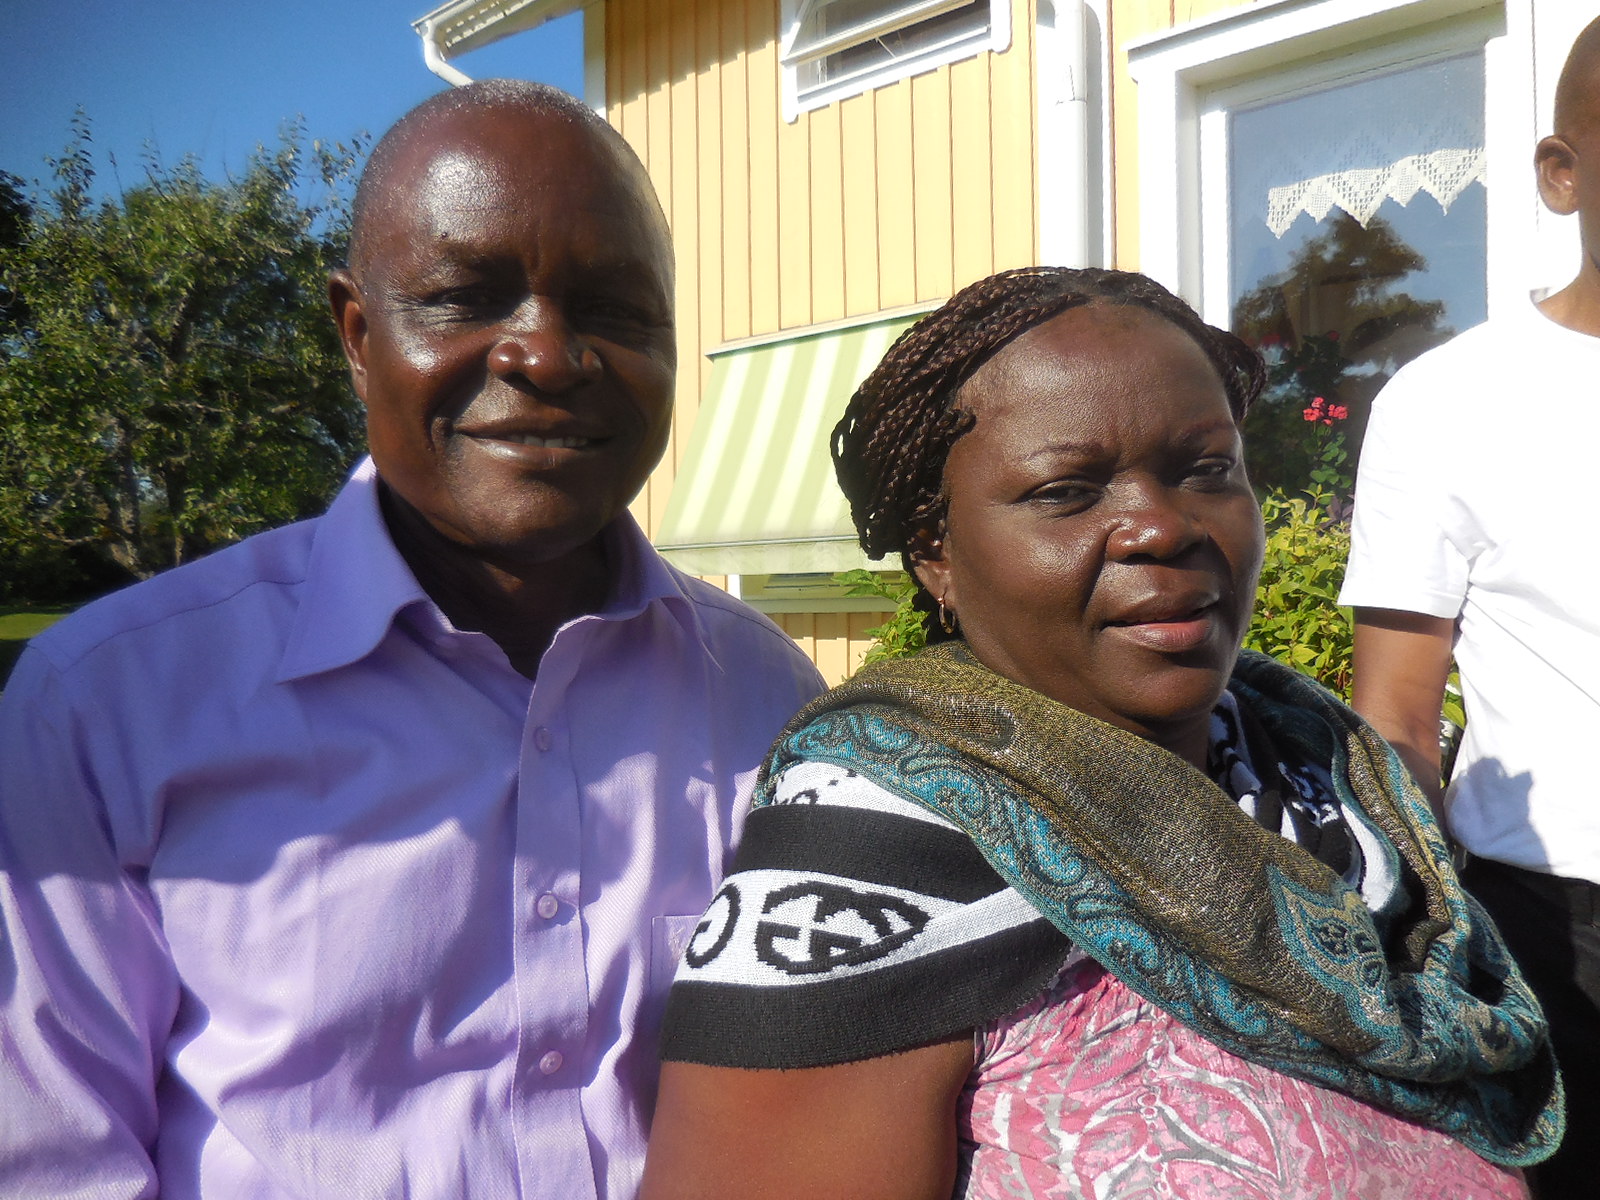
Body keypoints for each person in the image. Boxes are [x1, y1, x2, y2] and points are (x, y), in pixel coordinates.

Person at [0, 81, 823, 1199]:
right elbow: (52, 1165)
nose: (546, 355)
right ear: (357, 334)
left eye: (615, 310)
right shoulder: (106, 706)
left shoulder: (769, 699)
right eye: (466, 298)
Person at [639, 267, 1562, 1200]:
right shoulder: (867, 867)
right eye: (1066, 491)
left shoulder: (1331, 778)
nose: (1160, 527)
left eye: (1207, 470)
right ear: (935, 554)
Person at [1338, 19, 1600, 1198]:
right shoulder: (1451, 401)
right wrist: (1425, 944)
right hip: (1562, 938)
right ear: (1560, 172)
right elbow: (1395, 713)